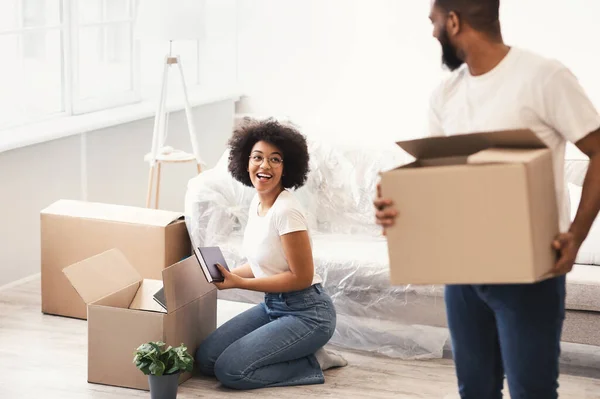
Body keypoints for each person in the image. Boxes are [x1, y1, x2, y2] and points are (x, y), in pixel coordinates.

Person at [374, 0, 600, 398]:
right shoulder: (445, 94)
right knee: (475, 390)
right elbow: (437, 178)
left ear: (454, 22)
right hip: (462, 271)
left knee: (532, 391)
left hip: (530, 273)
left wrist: (577, 234)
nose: (431, 33)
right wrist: (397, 202)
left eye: (434, 22)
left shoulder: (543, 77)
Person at [196, 119, 347, 390]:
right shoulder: (258, 201)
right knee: (206, 359)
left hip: (308, 313)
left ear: (286, 168)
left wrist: (240, 283)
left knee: (230, 371)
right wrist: (226, 274)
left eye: (275, 160)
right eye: (258, 157)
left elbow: (300, 277)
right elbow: (264, 264)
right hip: (273, 306)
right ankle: (289, 350)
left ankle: (313, 359)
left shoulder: (287, 211)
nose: (264, 166)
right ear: (245, 161)